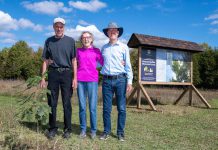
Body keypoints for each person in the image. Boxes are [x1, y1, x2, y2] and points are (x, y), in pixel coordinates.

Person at [40, 17, 77, 139]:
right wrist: (43, 78)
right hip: (53, 74)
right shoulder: (48, 41)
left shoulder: (70, 41)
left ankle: (67, 129)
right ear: (53, 27)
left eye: (61, 26)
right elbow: (45, 61)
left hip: (66, 73)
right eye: (57, 26)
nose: (59, 28)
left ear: (64, 27)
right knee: (52, 102)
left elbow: (74, 60)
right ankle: (52, 128)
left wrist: (75, 77)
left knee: (67, 103)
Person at [99, 22, 133, 141]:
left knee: (122, 108)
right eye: (110, 30)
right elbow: (99, 63)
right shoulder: (103, 48)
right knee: (106, 108)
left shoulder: (124, 47)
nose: (112, 32)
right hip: (107, 81)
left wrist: (129, 82)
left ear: (118, 33)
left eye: (115, 30)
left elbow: (128, 65)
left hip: (121, 80)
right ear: (107, 33)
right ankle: (106, 131)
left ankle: (120, 133)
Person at [76, 31, 104, 139]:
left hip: (92, 80)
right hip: (80, 81)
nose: (86, 39)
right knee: (82, 107)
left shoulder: (97, 51)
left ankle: (93, 131)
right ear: (81, 40)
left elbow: (103, 63)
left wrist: (120, 62)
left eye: (88, 37)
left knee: (92, 107)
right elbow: (73, 62)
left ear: (91, 39)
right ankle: (83, 130)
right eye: (84, 38)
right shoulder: (78, 51)